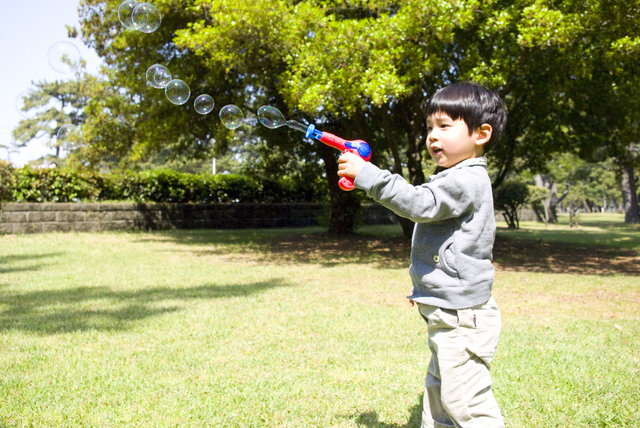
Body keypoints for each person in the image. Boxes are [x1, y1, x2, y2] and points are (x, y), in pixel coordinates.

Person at [337, 81, 507, 428]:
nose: (433, 136)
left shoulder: (465, 179)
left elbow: (418, 204)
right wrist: (426, 286)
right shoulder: (452, 177)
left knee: (465, 402)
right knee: (440, 391)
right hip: (448, 310)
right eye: (430, 127)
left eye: (445, 126)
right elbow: (445, 245)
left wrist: (368, 175)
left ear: (481, 133)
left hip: (462, 315)